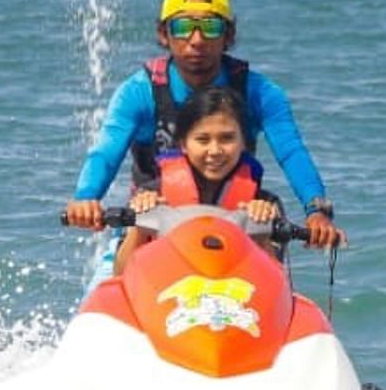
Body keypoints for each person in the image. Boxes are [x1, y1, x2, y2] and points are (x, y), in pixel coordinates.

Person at [65, 0, 346, 248]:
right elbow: (105, 153)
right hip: (152, 224)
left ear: (229, 36)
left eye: (210, 27)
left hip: (238, 227)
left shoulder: (260, 94)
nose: (196, 40)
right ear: (164, 35)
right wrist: (86, 198)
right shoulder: (138, 93)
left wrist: (316, 211)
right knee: (105, 283)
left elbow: (291, 152)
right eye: (183, 27)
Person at [113, 87, 282, 274]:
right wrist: (141, 224)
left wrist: (261, 232)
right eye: (203, 140)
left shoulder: (266, 205)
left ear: (244, 142)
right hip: (164, 294)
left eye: (227, 138)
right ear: (183, 144)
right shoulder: (149, 197)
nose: (215, 150)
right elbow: (120, 273)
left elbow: (277, 282)